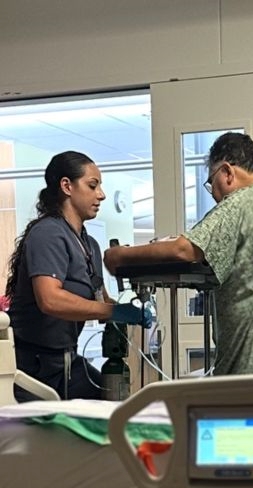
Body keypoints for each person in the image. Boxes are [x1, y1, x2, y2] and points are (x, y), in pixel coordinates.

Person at [104, 132, 253, 375]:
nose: (215, 196)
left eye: (211, 183)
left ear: (227, 172)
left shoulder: (244, 200)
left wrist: (120, 255)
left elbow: (183, 249)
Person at [6, 150, 151, 402]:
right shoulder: (48, 234)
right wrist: (111, 312)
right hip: (32, 366)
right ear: (67, 186)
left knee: (115, 408)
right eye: (92, 186)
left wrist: (129, 310)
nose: (101, 195)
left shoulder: (89, 244)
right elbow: (50, 299)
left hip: (67, 362)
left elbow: (101, 300)